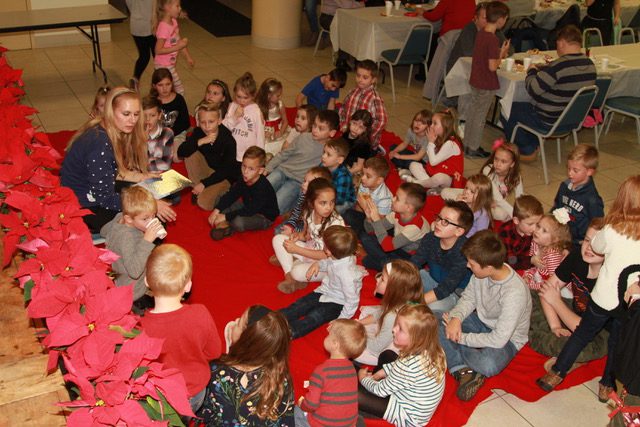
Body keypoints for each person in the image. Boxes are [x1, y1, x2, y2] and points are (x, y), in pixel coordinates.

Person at [537, 175, 640, 403]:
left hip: (602, 298)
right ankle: (607, 384)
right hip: (627, 302)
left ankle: (557, 372)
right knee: (616, 343)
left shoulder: (613, 230)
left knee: (582, 334)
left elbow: (598, 245)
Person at [61, 87, 176, 233]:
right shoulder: (100, 144)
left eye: (136, 114)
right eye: (126, 114)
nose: (133, 120)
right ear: (110, 111)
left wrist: (142, 177)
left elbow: (111, 171)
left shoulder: (105, 129)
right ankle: (141, 245)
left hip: (94, 193)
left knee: (153, 190)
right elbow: (105, 199)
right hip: (86, 207)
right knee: (153, 219)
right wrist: (149, 205)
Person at [439, 230, 532, 401]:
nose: (468, 266)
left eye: (472, 264)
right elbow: (468, 299)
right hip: (481, 322)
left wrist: (461, 338)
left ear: (488, 267)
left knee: (488, 365)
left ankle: (456, 358)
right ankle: (463, 370)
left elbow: (499, 339)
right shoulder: (480, 274)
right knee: (433, 320)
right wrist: (456, 318)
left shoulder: (514, 293)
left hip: (508, 338)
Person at [140, 244, 222, 413]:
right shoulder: (200, 313)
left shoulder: (141, 327)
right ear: (188, 286)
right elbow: (214, 352)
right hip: (196, 389)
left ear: (146, 281)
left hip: (161, 396)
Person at [501, 25, 596, 159]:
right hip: (572, 120)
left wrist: (531, 71)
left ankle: (527, 149)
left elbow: (533, 89)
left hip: (548, 119)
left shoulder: (559, 65)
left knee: (508, 107)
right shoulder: (590, 65)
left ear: (561, 43)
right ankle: (534, 143)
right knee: (523, 107)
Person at [530, 218, 609, 366]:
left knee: (573, 346)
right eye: (587, 240)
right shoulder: (577, 255)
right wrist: (555, 326)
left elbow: (586, 330)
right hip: (573, 312)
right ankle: (551, 338)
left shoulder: (609, 279)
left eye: (596, 244)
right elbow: (546, 289)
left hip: (598, 333)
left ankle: (563, 353)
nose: (589, 247)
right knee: (528, 294)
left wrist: (556, 301)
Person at [198, 305, 295, 425]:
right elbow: (286, 418)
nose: (236, 321)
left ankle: (234, 354)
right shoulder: (281, 378)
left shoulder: (216, 372)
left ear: (246, 341)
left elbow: (204, 410)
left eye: (239, 324)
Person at [358, 304, 446, 426]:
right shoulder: (435, 350)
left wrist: (363, 379)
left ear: (416, 338)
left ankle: (367, 403)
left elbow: (380, 390)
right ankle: (377, 383)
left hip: (408, 416)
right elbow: (400, 366)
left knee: (357, 395)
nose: (394, 329)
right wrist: (382, 372)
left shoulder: (406, 366)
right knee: (387, 355)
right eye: (396, 324)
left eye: (400, 329)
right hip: (415, 399)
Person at [280, 225, 363, 338]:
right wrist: (318, 264)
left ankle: (288, 332)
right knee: (301, 304)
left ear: (328, 251)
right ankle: (277, 318)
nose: (323, 246)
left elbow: (352, 301)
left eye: (324, 245)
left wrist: (341, 320)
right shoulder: (339, 256)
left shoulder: (347, 275)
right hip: (325, 291)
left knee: (315, 317)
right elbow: (328, 261)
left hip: (338, 302)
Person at [272, 178, 345, 293]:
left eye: (332, 202)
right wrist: (298, 236)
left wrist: (297, 250)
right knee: (278, 239)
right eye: (323, 203)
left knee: (297, 272)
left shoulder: (335, 224)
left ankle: (292, 264)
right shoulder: (309, 213)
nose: (329, 207)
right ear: (311, 203)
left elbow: (327, 255)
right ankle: (289, 277)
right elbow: (307, 236)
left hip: (329, 263)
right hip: (311, 250)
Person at [459, 1, 510, 159]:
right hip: (486, 83)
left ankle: (467, 144)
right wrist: (502, 54)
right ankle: (473, 147)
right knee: (479, 117)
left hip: (476, 79)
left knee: (472, 113)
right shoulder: (492, 39)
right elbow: (493, 66)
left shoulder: (481, 33)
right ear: (500, 20)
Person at [266, 110, 339, 214]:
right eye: (314, 125)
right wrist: (268, 167)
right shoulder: (303, 137)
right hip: (282, 170)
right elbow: (284, 154)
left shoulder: (329, 150)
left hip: (297, 181)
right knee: (261, 189)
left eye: (321, 128)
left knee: (276, 207)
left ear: (331, 133)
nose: (315, 130)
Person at [295, 319, 366, 427]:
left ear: (335, 344)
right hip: (348, 423)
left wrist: (302, 404)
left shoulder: (322, 371)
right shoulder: (351, 368)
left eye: (329, 334)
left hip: (322, 423)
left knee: (296, 411)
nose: (327, 335)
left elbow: (312, 404)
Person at [100, 186, 164, 302]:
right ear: (129, 219)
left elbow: (103, 232)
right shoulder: (128, 238)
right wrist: (147, 241)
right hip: (133, 290)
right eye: (145, 219)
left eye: (154, 215)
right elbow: (134, 272)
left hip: (119, 272)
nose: (151, 221)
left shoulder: (120, 217)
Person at [355, 260, 423, 366]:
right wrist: (360, 323)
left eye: (382, 279)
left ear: (394, 289)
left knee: (353, 348)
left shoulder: (392, 316)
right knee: (369, 312)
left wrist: (357, 334)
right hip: (392, 332)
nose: (377, 279)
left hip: (394, 349)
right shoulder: (400, 300)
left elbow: (376, 348)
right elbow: (380, 312)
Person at [411, 200, 474, 312]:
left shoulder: (465, 251)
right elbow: (414, 263)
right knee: (405, 277)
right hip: (432, 279)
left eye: (446, 221)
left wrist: (414, 303)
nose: (438, 223)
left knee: (433, 308)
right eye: (439, 218)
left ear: (459, 231)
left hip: (454, 293)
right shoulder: (430, 238)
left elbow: (446, 288)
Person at [177, 103, 239, 211]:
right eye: (203, 122)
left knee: (203, 203)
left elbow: (226, 171)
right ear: (198, 122)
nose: (207, 126)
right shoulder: (199, 132)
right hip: (207, 169)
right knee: (190, 151)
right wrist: (200, 141)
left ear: (219, 121)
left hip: (223, 176)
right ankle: (197, 187)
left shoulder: (228, 140)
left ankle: (221, 191)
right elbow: (181, 152)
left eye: (211, 122)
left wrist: (204, 183)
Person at [208, 146, 278, 240]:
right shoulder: (243, 178)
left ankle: (226, 226)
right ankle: (225, 226)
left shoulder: (263, 188)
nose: (245, 172)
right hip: (247, 205)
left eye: (251, 169)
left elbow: (250, 211)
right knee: (220, 199)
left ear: (260, 170)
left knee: (238, 222)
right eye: (244, 166)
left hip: (262, 216)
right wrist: (216, 210)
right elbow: (232, 194)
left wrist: (225, 216)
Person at [360, 182, 430, 271]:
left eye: (397, 198)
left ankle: (386, 264)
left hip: (409, 257)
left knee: (371, 260)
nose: (393, 199)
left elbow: (387, 246)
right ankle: (384, 263)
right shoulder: (396, 214)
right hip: (396, 247)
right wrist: (369, 218)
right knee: (365, 237)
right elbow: (370, 231)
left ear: (408, 208)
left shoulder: (415, 227)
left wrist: (377, 220)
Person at [421, 0, 476, 99]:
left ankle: (430, 93)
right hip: (465, 39)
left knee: (437, 64)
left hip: (450, 37)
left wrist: (422, 12)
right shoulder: (471, 1)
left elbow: (434, 16)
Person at [552, 143, 604, 247]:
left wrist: (587, 242)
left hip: (579, 243)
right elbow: (556, 205)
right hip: (562, 235)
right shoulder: (564, 186)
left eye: (575, 170)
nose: (570, 173)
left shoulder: (592, 199)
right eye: (568, 168)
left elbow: (598, 225)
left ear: (589, 172)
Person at [401, 109, 463, 190]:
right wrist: (431, 142)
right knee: (413, 165)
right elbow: (430, 158)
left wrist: (430, 142)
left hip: (449, 178)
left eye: (435, 123)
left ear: (445, 126)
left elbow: (433, 162)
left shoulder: (450, 144)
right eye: (431, 123)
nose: (431, 126)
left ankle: (415, 182)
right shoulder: (438, 137)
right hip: (436, 171)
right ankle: (432, 186)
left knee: (439, 178)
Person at [339, 60, 388, 152]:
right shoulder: (352, 92)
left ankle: (374, 150)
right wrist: (343, 124)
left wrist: (366, 134)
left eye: (365, 77)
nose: (360, 79)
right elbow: (343, 108)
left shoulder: (374, 99)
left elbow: (382, 121)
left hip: (363, 141)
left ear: (373, 80)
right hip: (349, 133)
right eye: (358, 76)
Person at [272, 166, 332, 236]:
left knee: (280, 234)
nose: (304, 184)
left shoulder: (320, 208)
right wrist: (290, 226)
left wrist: (294, 232)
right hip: (299, 224)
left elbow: (312, 230)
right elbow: (296, 213)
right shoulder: (303, 196)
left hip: (309, 232)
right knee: (278, 230)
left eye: (309, 183)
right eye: (304, 181)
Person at [342, 157, 392, 237]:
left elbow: (378, 223)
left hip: (376, 224)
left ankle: (355, 235)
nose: (362, 178)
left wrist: (365, 208)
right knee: (347, 213)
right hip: (365, 214)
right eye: (363, 173)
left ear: (379, 180)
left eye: (368, 176)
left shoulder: (385, 198)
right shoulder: (365, 184)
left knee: (364, 235)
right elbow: (358, 207)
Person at [522, 211, 572, 291]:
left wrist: (532, 285)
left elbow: (553, 283)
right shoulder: (535, 242)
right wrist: (527, 276)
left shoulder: (552, 255)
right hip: (540, 277)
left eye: (544, 231)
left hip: (557, 286)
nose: (537, 231)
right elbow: (532, 264)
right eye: (538, 226)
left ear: (555, 239)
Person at [223, 72, 265, 161]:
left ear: (253, 96)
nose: (241, 101)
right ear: (234, 93)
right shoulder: (232, 106)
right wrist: (234, 117)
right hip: (232, 152)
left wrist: (259, 156)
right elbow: (223, 128)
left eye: (245, 98)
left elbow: (260, 136)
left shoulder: (256, 111)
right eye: (238, 96)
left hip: (249, 155)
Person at [154, 0, 193, 96]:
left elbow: (179, 41)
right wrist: (177, 47)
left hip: (170, 64)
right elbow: (158, 50)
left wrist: (188, 57)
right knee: (179, 89)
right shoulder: (163, 27)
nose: (180, 9)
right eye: (177, 6)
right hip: (163, 65)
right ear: (167, 7)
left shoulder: (174, 22)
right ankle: (179, 103)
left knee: (168, 89)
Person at [150, 68, 190, 158]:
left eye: (168, 84)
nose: (164, 88)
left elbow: (185, 122)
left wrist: (169, 135)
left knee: (176, 157)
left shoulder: (179, 99)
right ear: (154, 86)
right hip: (157, 135)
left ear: (172, 83)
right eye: (160, 85)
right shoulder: (152, 102)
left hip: (177, 134)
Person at [498, 194, 544, 270]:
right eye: (530, 224)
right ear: (516, 221)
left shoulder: (532, 229)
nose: (535, 228)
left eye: (537, 223)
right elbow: (509, 261)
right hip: (510, 265)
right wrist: (530, 260)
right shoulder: (505, 232)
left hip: (527, 262)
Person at [318, 0, 365, 68]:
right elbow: (347, 5)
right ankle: (342, 59)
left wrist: (356, 4)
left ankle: (359, 58)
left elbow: (362, 5)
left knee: (359, 26)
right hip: (328, 17)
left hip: (345, 16)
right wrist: (358, 3)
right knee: (346, 28)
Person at [126, 0, 155, 91]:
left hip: (136, 25)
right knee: (158, 58)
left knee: (144, 56)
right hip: (152, 25)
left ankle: (135, 78)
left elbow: (129, 5)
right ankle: (158, 84)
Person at [321, 139, 356, 214]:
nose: (323, 156)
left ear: (339, 160)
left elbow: (340, 199)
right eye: (324, 152)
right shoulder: (323, 165)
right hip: (328, 194)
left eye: (328, 154)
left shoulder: (344, 176)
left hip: (344, 201)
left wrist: (324, 200)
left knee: (328, 211)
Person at [142, 95, 174, 172]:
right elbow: (135, 163)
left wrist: (146, 163)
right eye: (144, 116)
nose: (148, 119)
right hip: (141, 175)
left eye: (152, 115)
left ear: (159, 115)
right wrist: (143, 140)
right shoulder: (136, 134)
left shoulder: (167, 133)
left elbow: (166, 164)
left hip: (162, 175)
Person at [342, 109, 373, 180]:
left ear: (365, 130)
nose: (356, 128)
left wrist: (346, 173)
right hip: (345, 160)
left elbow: (359, 166)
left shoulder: (364, 145)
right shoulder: (345, 134)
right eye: (354, 123)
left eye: (361, 127)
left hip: (355, 167)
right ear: (350, 121)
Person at [256, 78, 289, 145]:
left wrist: (281, 131)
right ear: (268, 95)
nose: (280, 97)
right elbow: (256, 123)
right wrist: (262, 132)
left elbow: (285, 121)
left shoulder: (280, 105)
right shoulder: (258, 106)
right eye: (278, 95)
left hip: (277, 128)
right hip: (264, 129)